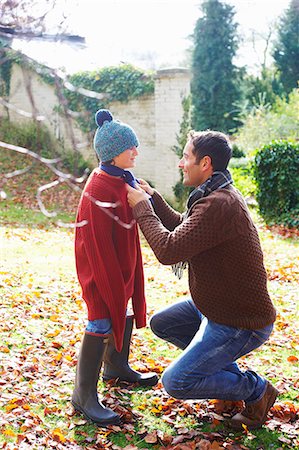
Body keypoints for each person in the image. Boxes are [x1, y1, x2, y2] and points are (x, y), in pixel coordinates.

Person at [126, 129, 278, 430]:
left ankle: (256, 390)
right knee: (163, 323)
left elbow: (169, 250)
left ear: (205, 163)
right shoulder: (215, 195)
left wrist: (142, 209)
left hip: (240, 322)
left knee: (176, 381)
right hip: (214, 309)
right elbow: (185, 229)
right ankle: (228, 388)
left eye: (186, 158)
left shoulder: (219, 204)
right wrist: (154, 198)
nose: (182, 164)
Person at [72, 109, 158, 426]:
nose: (136, 151)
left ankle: (117, 368)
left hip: (122, 266)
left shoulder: (122, 179)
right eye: (130, 147)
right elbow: (96, 247)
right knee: (100, 322)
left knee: (123, 313)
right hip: (100, 273)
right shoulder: (98, 189)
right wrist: (110, 287)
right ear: (113, 152)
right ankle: (83, 396)